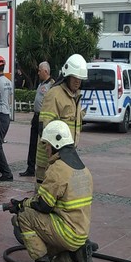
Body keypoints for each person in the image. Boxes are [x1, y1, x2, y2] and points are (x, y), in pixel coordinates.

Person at [5, 120, 94, 262]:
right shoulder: (83, 170)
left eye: (47, 145)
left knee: (24, 217)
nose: (46, 149)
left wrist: (21, 205)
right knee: (55, 257)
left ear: (55, 144)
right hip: (81, 232)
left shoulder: (58, 169)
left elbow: (44, 205)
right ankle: (75, 254)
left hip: (66, 232)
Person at [35, 54, 87, 188]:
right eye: (75, 77)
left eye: (80, 78)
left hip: (66, 156)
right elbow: (44, 127)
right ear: (67, 76)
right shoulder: (55, 94)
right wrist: (53, 156)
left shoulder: (75, 96)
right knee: (44, 196)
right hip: (50, 158)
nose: (78, 81)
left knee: (61, 196)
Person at [20, 61, 54, 177]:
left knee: (43, 145)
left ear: (45, 71)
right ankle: (30, 168)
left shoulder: (52, 85)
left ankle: (45, 167)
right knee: (32, 143)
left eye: (40, 70)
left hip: (44, 118)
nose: (38, 73)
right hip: (36, 116)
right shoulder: (41, 84)